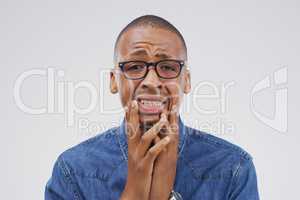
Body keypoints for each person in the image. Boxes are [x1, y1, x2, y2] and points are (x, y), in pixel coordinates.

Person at [45, 15, 260, 200]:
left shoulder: (234, 168)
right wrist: (135, 190)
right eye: (135, 66)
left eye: (167, 67)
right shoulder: (72, 171)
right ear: (113, 80)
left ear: (186, 81)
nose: (151, 81)